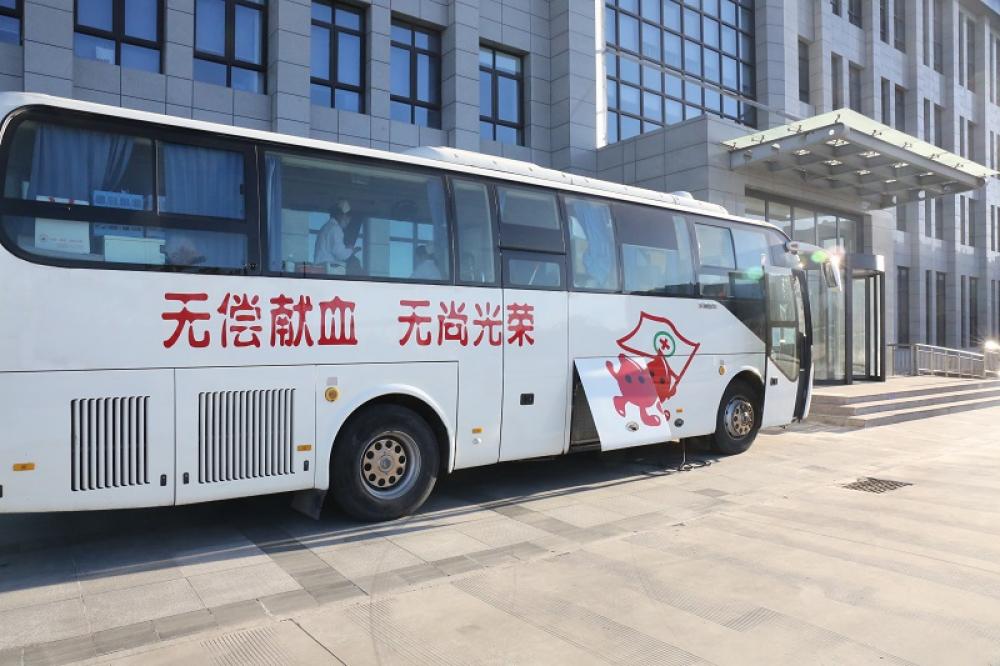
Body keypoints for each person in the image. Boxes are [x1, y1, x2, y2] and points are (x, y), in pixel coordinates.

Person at [314, 199, 356, 271]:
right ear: (342, 216)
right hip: (327, 270)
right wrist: (351, 250)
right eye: (347, 217)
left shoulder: (326, 227)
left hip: (321, 269)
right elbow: (340, 254)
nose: (348, 222)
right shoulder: (335, 229)